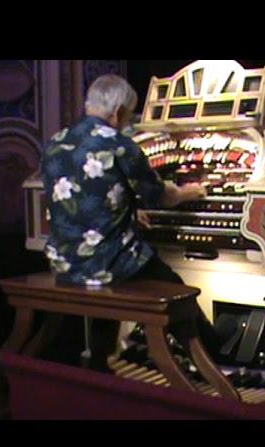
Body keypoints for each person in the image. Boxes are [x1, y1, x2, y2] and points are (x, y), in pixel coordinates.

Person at [41, 74, 221, 371]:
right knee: (175, 288)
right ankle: (212, 363)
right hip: (107, 263)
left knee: (111, 287)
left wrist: (126, 210)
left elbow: (81, 193)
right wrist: (190, 192)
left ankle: (100, 366)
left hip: (64, 262)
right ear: (119, 112)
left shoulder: (56, 142)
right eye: (128, 116)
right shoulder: (119, 144)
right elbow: (159, 196)